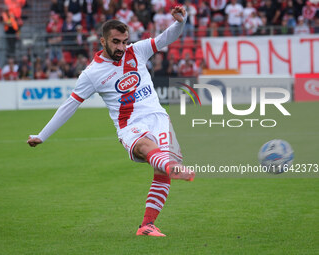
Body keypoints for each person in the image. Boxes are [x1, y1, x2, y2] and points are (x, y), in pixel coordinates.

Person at [27, 6, 195, 237]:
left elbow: (166, 37)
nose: (121, 47)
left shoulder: (137, 51)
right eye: (116, 42)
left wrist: (180, 22)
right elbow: (70, 105)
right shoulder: (92, 74)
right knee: (150, 150)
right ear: (102, 40)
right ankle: (171, 166)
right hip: (130, 126)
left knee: (162, 173)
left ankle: (147, 225)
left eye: (124, 41)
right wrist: (42, 135)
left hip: (159, 118)